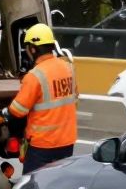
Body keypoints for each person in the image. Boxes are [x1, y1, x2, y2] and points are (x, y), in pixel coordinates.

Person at [6, 23, 78, 173]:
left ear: (33, 49)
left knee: (33, 187)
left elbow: (17, 111)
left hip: (43, 145)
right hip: (67, 142)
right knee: (58, 184)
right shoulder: (68, 68)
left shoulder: (34, 76)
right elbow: (74, 97)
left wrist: (3, 114)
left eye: (27, 48)